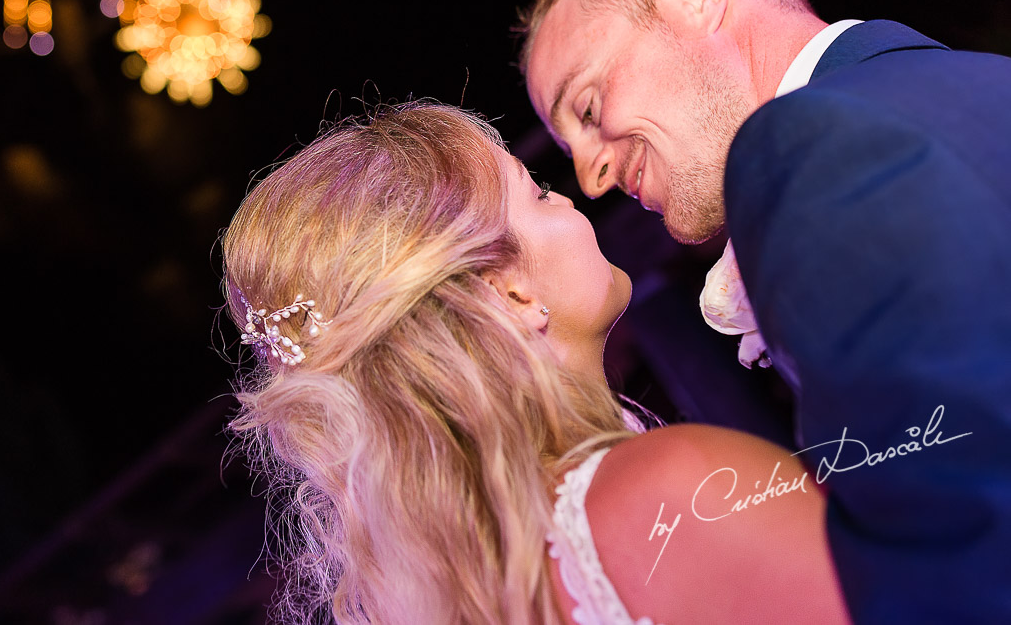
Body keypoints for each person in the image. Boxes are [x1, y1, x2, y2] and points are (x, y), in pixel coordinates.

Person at [519, 0, 1011, 623]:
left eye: (588, 109)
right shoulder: (949, 87)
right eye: (569, 149)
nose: (590, 176)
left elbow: (966, 543)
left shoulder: (809, 148)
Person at [222, 102, 849, 625]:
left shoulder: (468, 593)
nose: (574, 198)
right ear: (510, 293)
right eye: (539, 192)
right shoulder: (673, 490)